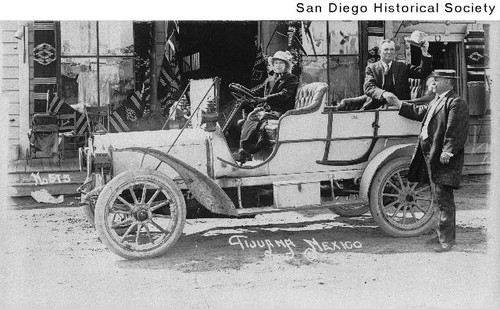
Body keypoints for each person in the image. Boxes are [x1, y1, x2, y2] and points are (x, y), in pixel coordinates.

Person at [386, 70, 469, 252]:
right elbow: (418, 112)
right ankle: (440, 235)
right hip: (431, 155)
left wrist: (448, 150)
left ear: (447, 82)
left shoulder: (455, 102)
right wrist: (398, 104)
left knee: (444, 199)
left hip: (443, 157)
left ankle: (447, 241)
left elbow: (456, 129)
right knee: (438, 197)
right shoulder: (436, 100)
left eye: (436, 80)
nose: (433, 83)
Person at [233, 50, 299, 163]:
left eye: (281, 63)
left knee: (260, 120)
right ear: (273, 65)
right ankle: (245, 150)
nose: (278, 66)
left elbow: (284, 94)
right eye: (276, 63)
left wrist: (264, 99)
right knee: (249, 118)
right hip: (268, 110)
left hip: (281, 112)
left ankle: (246, 151)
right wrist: (243, 91)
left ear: (286, 65)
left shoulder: (291, 78)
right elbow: (257, 91)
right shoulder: (271, 78)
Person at [361, 37, 433, 110]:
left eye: (392, 49)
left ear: (395, 52)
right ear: (379, 52)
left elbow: (423, 72)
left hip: (399, 109)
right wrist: (384, 94)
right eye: (386, 49)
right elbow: (368, 87)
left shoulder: (402, 66)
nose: (389, 52)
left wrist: (425, 52)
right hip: (376, 108)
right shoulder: (371, 68)